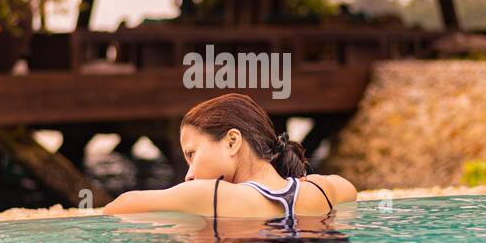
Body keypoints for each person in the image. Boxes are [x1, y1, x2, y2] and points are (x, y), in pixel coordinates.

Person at [104, 93, 356, 219]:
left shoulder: (211, 195)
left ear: (232, 141)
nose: (189, 174)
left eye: (192, 155)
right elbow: (350, 190)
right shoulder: (322, 189)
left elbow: (118, 208)